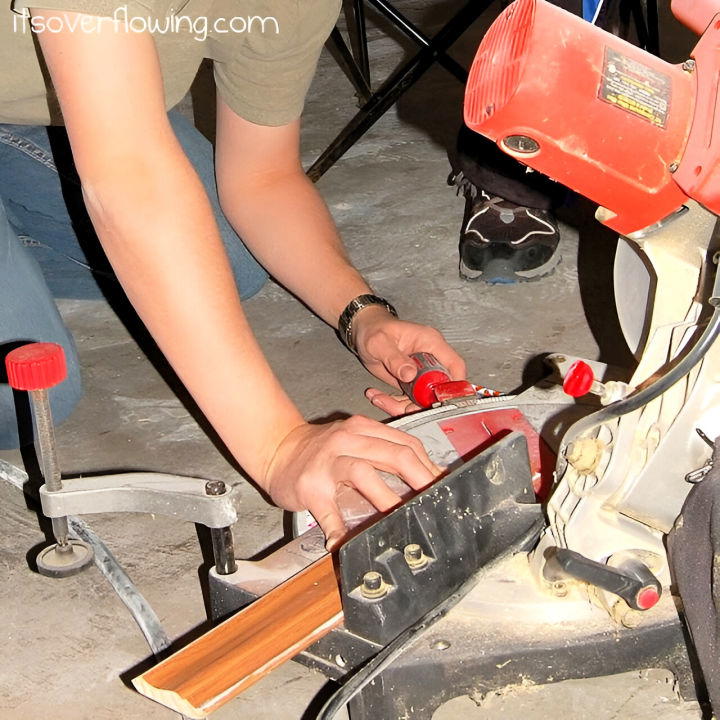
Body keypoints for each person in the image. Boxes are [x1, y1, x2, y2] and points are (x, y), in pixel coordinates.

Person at [0, 0, 465, 549]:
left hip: (34, 121)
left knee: (226, 260)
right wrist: (278, 447)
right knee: (18, 399)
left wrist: (361, 313)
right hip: (83, 128)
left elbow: (263, 176)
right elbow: (131, 177)